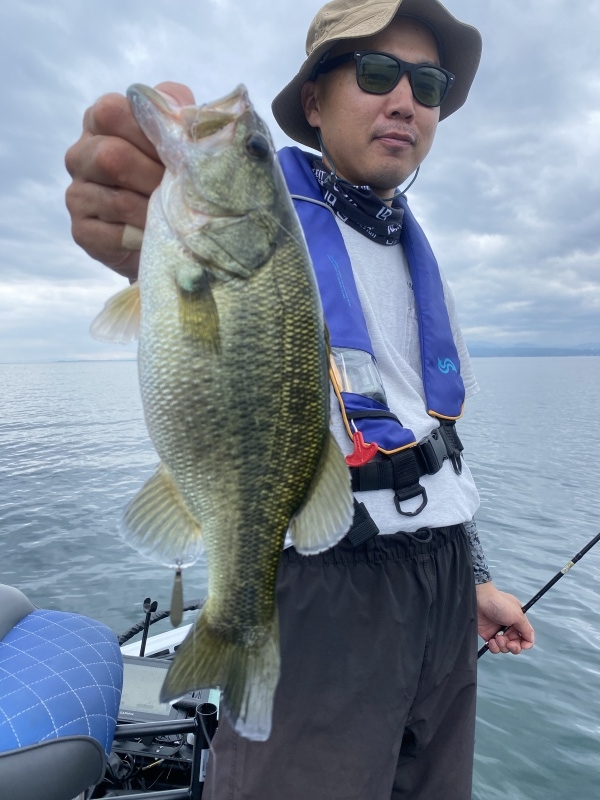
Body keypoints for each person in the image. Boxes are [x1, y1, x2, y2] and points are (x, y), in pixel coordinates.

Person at [65, 0, 535, 797]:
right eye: (378, 73)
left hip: (444, 589)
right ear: (313, 102)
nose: (405, 100)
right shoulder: (266, 219)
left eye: (428, 84)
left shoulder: (416, 249)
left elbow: (433, 439)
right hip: (322, 586)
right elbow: (177, 267)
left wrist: (475, 580)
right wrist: (138, 225)